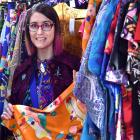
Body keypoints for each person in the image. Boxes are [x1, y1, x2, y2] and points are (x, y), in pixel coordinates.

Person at [1, 3, 82, 139]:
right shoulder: (21, 71)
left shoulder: (72, 66)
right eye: (34, 26)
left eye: (46, 25)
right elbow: (14, 114)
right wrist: (8, 110)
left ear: (55, 28)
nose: (39, 32)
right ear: (27, 30)